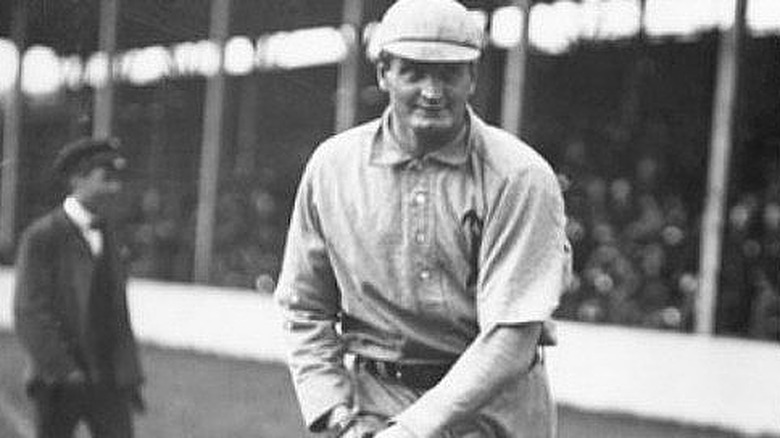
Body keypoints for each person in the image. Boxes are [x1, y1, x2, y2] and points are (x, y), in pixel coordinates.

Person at [275, 0, 571, 436]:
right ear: (383, 74)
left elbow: (512, 337)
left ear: (472, 77)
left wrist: (413, 431)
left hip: (493, 412)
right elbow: (304, 305)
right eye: (414, 71)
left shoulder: (520, 176)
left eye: (450, 73)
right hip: (374, 402)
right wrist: (337, 415)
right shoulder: (332, 167)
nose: (433, 91)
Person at [14, 137, 145, 438]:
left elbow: (117, 311)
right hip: (58, 380)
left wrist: (129, 374)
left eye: (117, 180)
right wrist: (64, 370)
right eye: (106, 179)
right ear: (78, 179)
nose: (116, 189)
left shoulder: (110, 233)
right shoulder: (41, 237)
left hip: (109, 380)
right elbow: (29, 310)